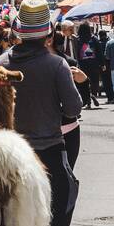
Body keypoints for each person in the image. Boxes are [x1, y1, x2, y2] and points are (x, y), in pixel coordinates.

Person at [0, 0, 84, 226]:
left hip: (12, 158)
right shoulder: (56, 65)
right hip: (49, 155)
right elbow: (74, 109)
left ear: (18, 31)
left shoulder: (3, 63)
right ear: (47, 32)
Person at [49, 28, 88, 171]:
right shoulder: (28, 64)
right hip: (39, 133)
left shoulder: (68, 62)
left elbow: (80, 102)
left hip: (68, 128)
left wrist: (83, 82)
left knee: (66, 177)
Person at [76, 23, 102, 108]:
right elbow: (99, 51)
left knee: (84, 82)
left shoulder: (78, 39)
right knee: (94, 81)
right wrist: (102, 63)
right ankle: (93, 94)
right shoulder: (94, 38)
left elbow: (76, 51)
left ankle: (88, 101)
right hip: (94, 63)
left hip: (82, 63)